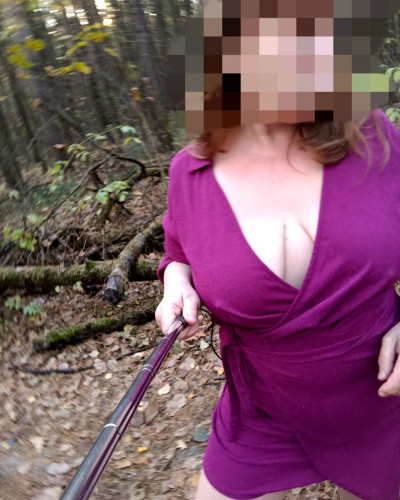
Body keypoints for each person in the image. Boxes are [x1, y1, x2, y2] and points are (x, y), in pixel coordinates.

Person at [156, 1, 400, 499]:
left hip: (387, 393)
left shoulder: (372, 135)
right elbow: (180, 251)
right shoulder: (189, 173)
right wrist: (175, 281)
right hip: (265, 407)